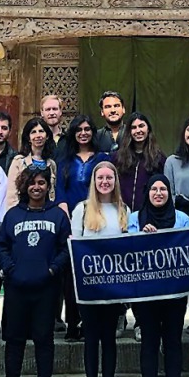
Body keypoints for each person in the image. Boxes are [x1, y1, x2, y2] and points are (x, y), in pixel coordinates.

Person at [0, 166, 70, 377]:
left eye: (41, 183)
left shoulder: (57, 216)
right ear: (24, 186)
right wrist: (10, 269)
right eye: (32, 183)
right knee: (14, 340)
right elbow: (1, 246)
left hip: (46, 289)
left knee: (44, 339)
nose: (37, 187)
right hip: (17, 288)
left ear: (48, 186)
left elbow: (65, 248)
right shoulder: (13, 215)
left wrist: (52, 270)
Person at [128, 175, 189, 377]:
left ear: (169, 192)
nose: (158, 193)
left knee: (172, 341)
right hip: (145, 295)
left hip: (175, 294)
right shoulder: (135, 219)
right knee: (148, 342)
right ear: (147, 192)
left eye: (163, 189)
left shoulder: (182, 218)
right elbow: (126, 251)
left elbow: (188, 251)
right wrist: (141, 237)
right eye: (154, 189)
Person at [70, 161, 129, 377]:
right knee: (91, 339)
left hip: (114, 288)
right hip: (89, 288)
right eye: (100, 177)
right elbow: (74, 248)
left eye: (109, 177)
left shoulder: (124, 210)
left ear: (115, 180)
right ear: (93, 181)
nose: (105, 182)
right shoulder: (81, 210)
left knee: (110, 339)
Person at [55, 115, 112, 341]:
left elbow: (108, 187)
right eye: (79, 129)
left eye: (88, 129)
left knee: (97, 273)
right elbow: (60, 193)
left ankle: (93, 323)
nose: (84, 133)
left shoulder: (102, 158)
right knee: (72, 276)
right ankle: (72, 322)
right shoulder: (65, 161)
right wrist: (69, 224)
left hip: (99, 222)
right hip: (72, 224)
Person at [3, 116, 58, 217]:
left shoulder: (51, 164)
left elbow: (52, 193)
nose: (38, 135)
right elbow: (12, 195)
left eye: (41, 131)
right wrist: (13, 216)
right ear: (28, 138)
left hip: (46, 214)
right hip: (23, 214)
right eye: (33, 132)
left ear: (47, 136)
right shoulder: (18, 161)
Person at [116, 111, 166, 213]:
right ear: (129, 131)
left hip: (148, 215)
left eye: (141, 126)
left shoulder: (159, 158)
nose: (138, 130)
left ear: (148, 129)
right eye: (134, 127)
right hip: (121, 213)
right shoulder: (117, 158)